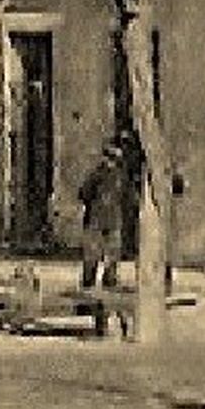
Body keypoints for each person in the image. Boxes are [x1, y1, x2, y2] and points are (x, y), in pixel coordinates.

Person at [78, 140, 127, 335]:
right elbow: (84, 193)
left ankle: (103, 316)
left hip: (110, 225)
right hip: (98, 225)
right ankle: (91, 309)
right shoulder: (98, 175)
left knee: (109, 273)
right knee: (92, 267)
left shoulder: (119, 177)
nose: (112, 162)